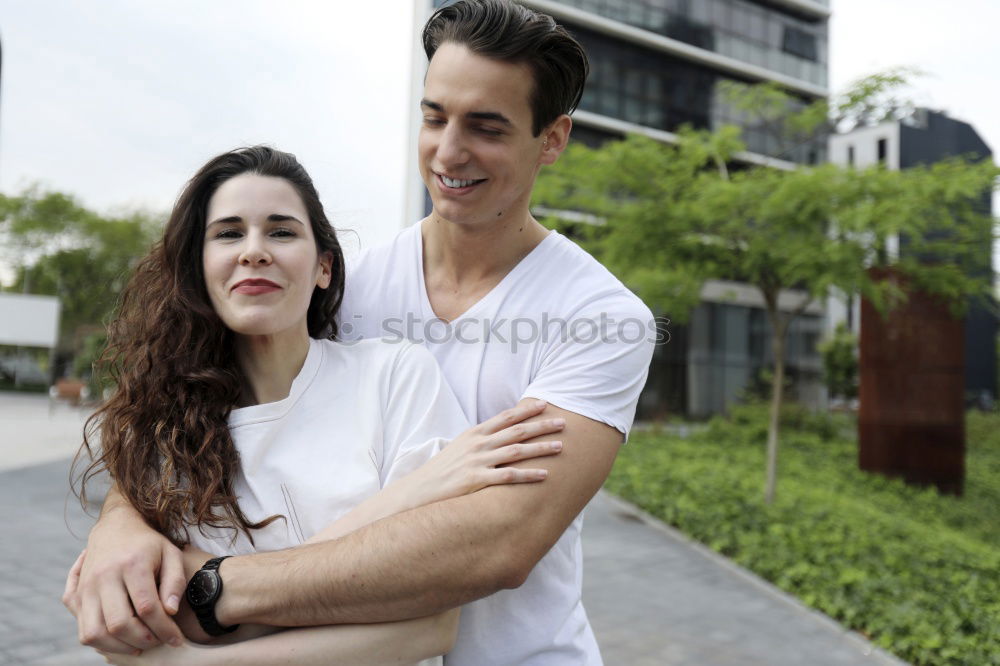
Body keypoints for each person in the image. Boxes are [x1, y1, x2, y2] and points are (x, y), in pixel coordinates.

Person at [67, 1, 656, 664]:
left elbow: (498, 544)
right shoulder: (349, 288)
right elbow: (196, 406)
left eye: (486, 127)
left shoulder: (599, 318)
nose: (449, 150)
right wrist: (123, 522)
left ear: (551, 139)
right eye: (435, 116)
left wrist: (213, 587)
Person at [64, 145, 568, 665]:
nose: (254, 251)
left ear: (323, 267)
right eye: (229, 233)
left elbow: (432, 620)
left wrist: (208, 638)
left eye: (281, 231)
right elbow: (156, 624)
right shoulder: (166, 429)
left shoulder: (392, 375)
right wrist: (407, 498)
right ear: (199, 267)